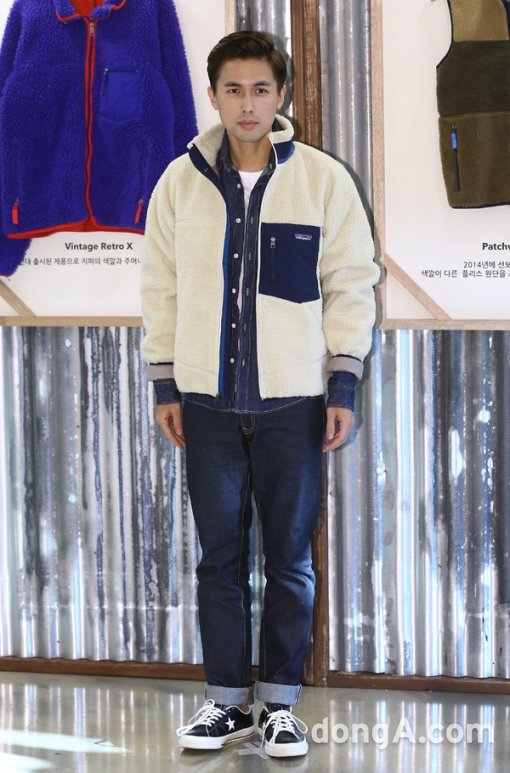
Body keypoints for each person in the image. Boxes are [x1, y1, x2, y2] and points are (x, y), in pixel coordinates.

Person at [141, 30, 379, 759]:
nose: (247, 104)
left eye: (261, 89)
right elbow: (160, 286)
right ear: (214, 96)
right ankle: (225, 702)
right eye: (234, 89)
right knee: (218, 559)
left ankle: (278, 704)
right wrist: (165, 381)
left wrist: (342, 382)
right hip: (206, 404)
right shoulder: (178, 183)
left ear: (282, 96)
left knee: (289, 561)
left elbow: (350, 282)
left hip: (294, 404)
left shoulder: (323, 180)